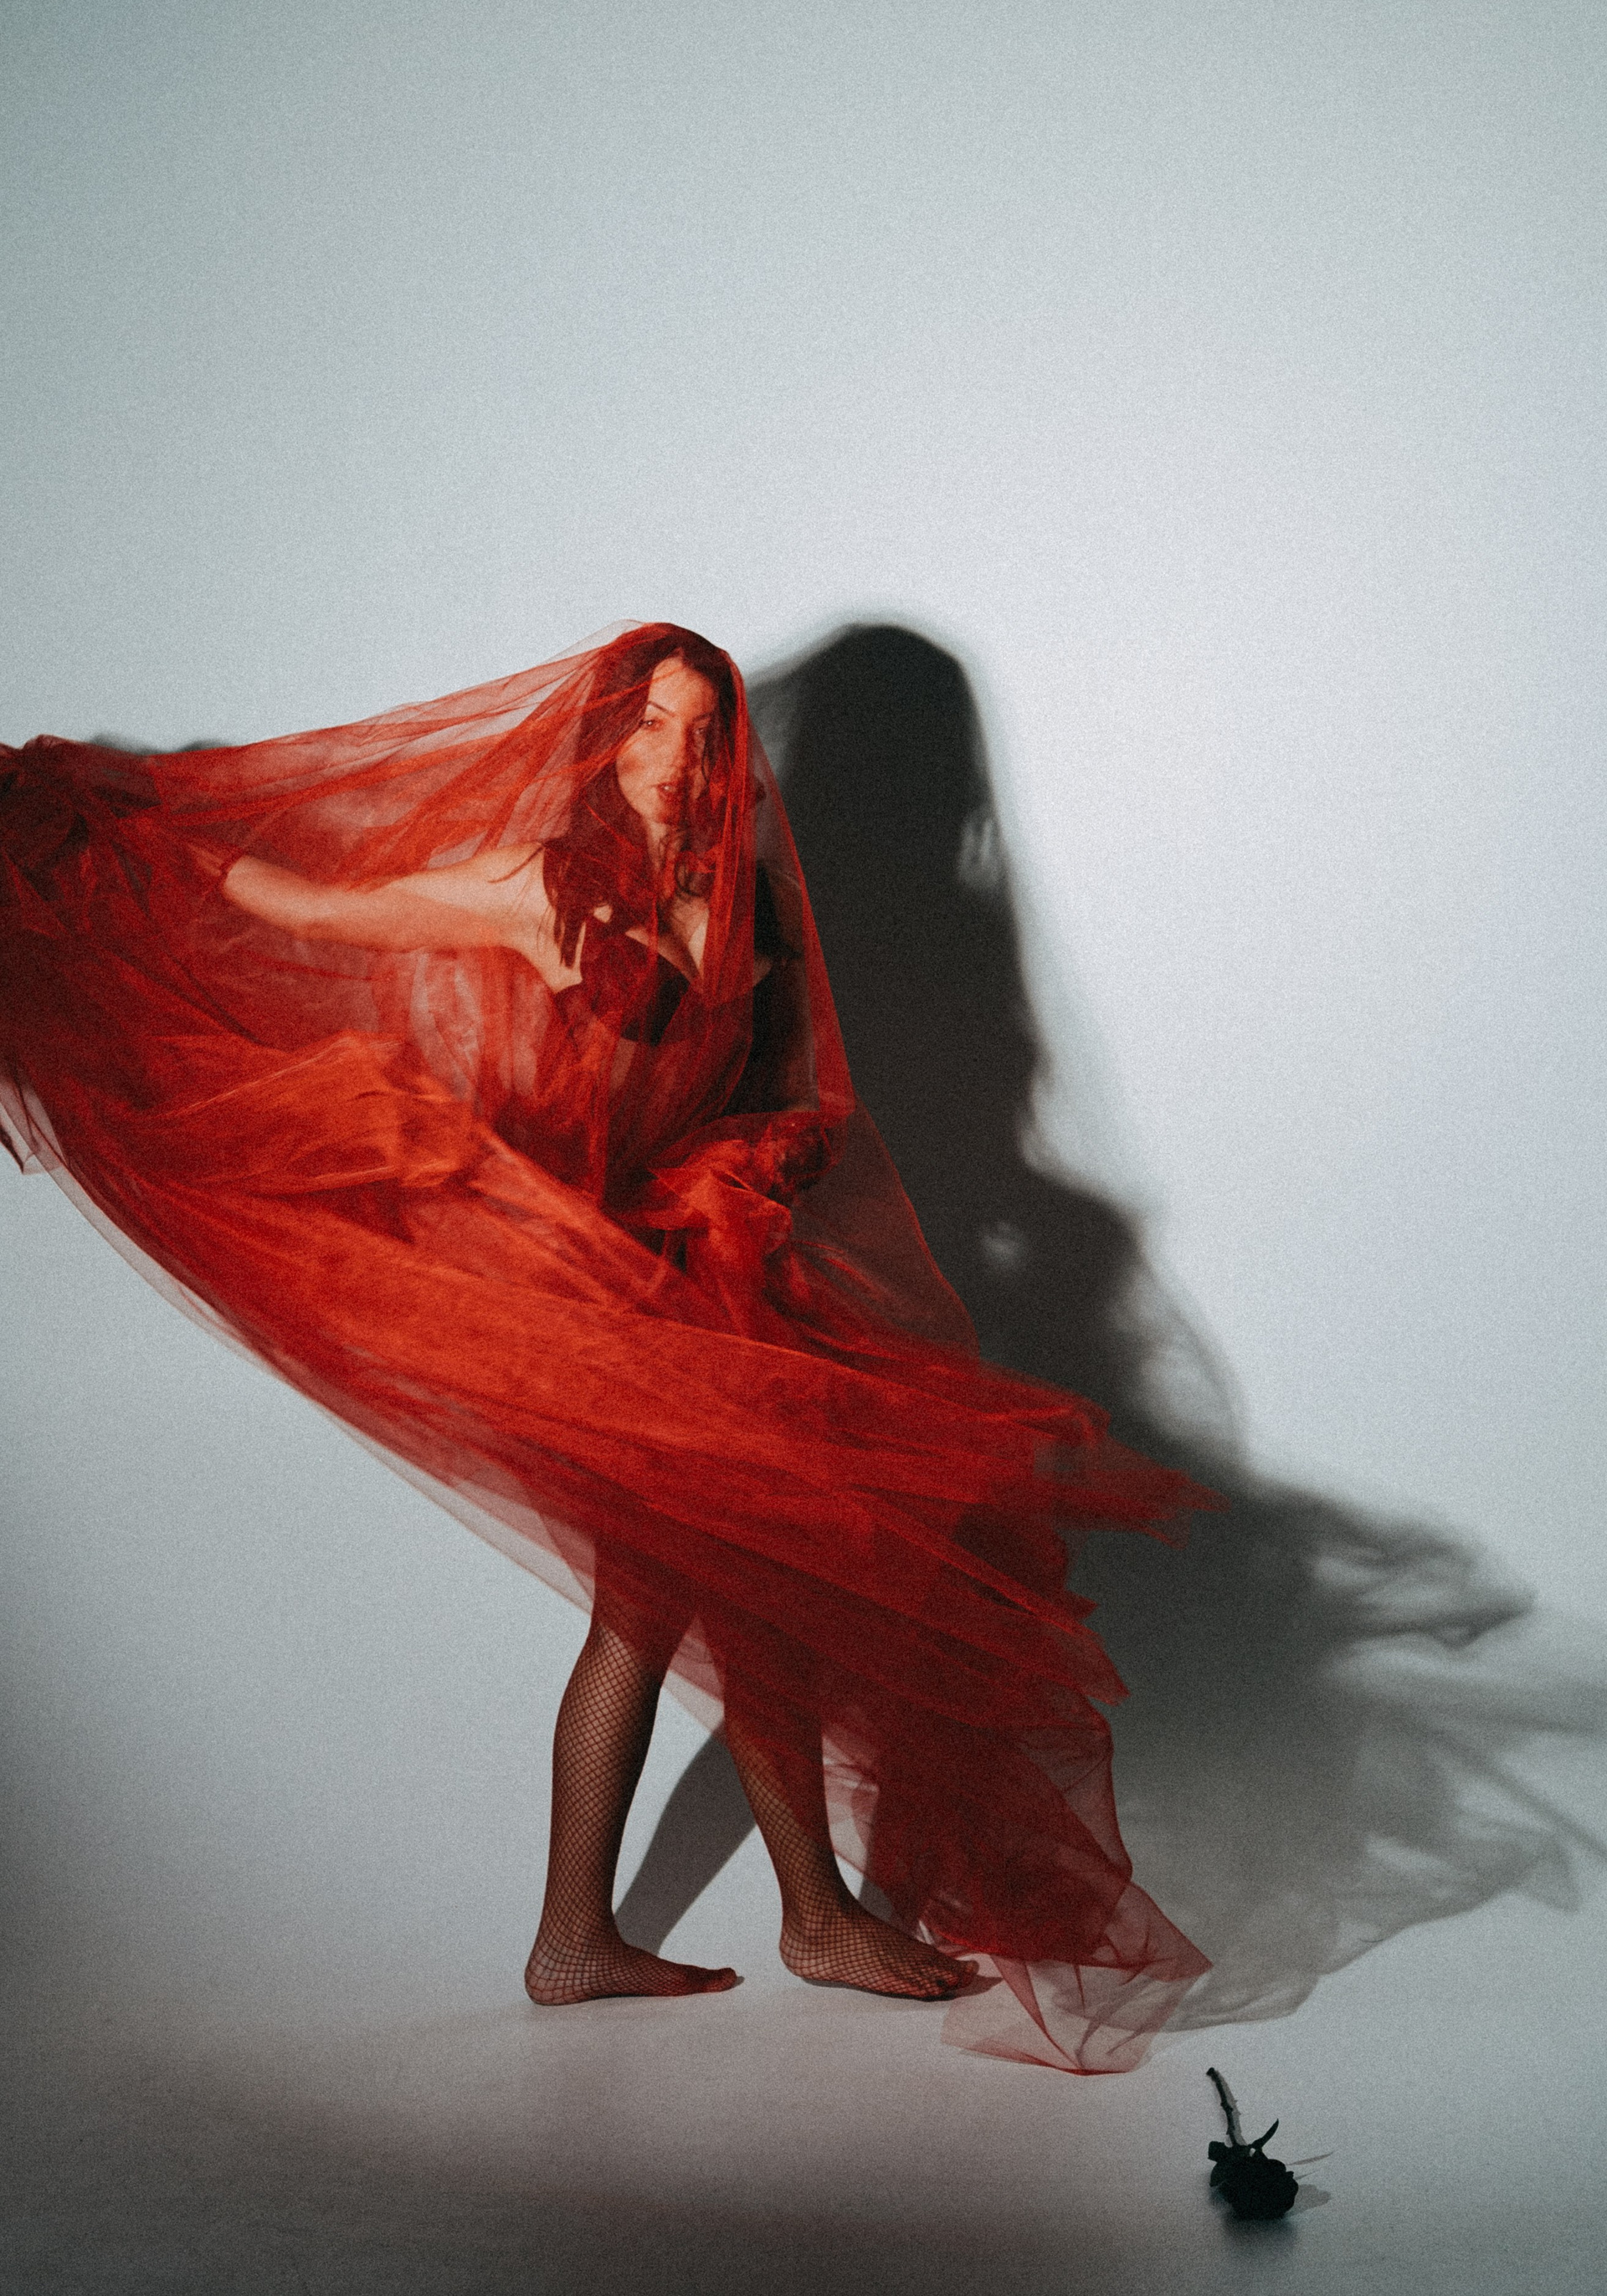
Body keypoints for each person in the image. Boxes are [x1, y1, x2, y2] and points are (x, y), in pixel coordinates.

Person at [0, 623, 1219, 2072]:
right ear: (600, 742)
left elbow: (781, 1091)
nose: (675, 760)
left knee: (733, 1597)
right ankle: (670, 1932)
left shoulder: (752, 900)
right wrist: (106, 831)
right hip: (604, 1290)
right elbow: (312, 907)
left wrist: (788, 1169)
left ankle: (716, 1927)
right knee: (675, 1608)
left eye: (702, 732)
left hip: (723, 1279)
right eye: (648, 728)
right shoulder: (537, 888)